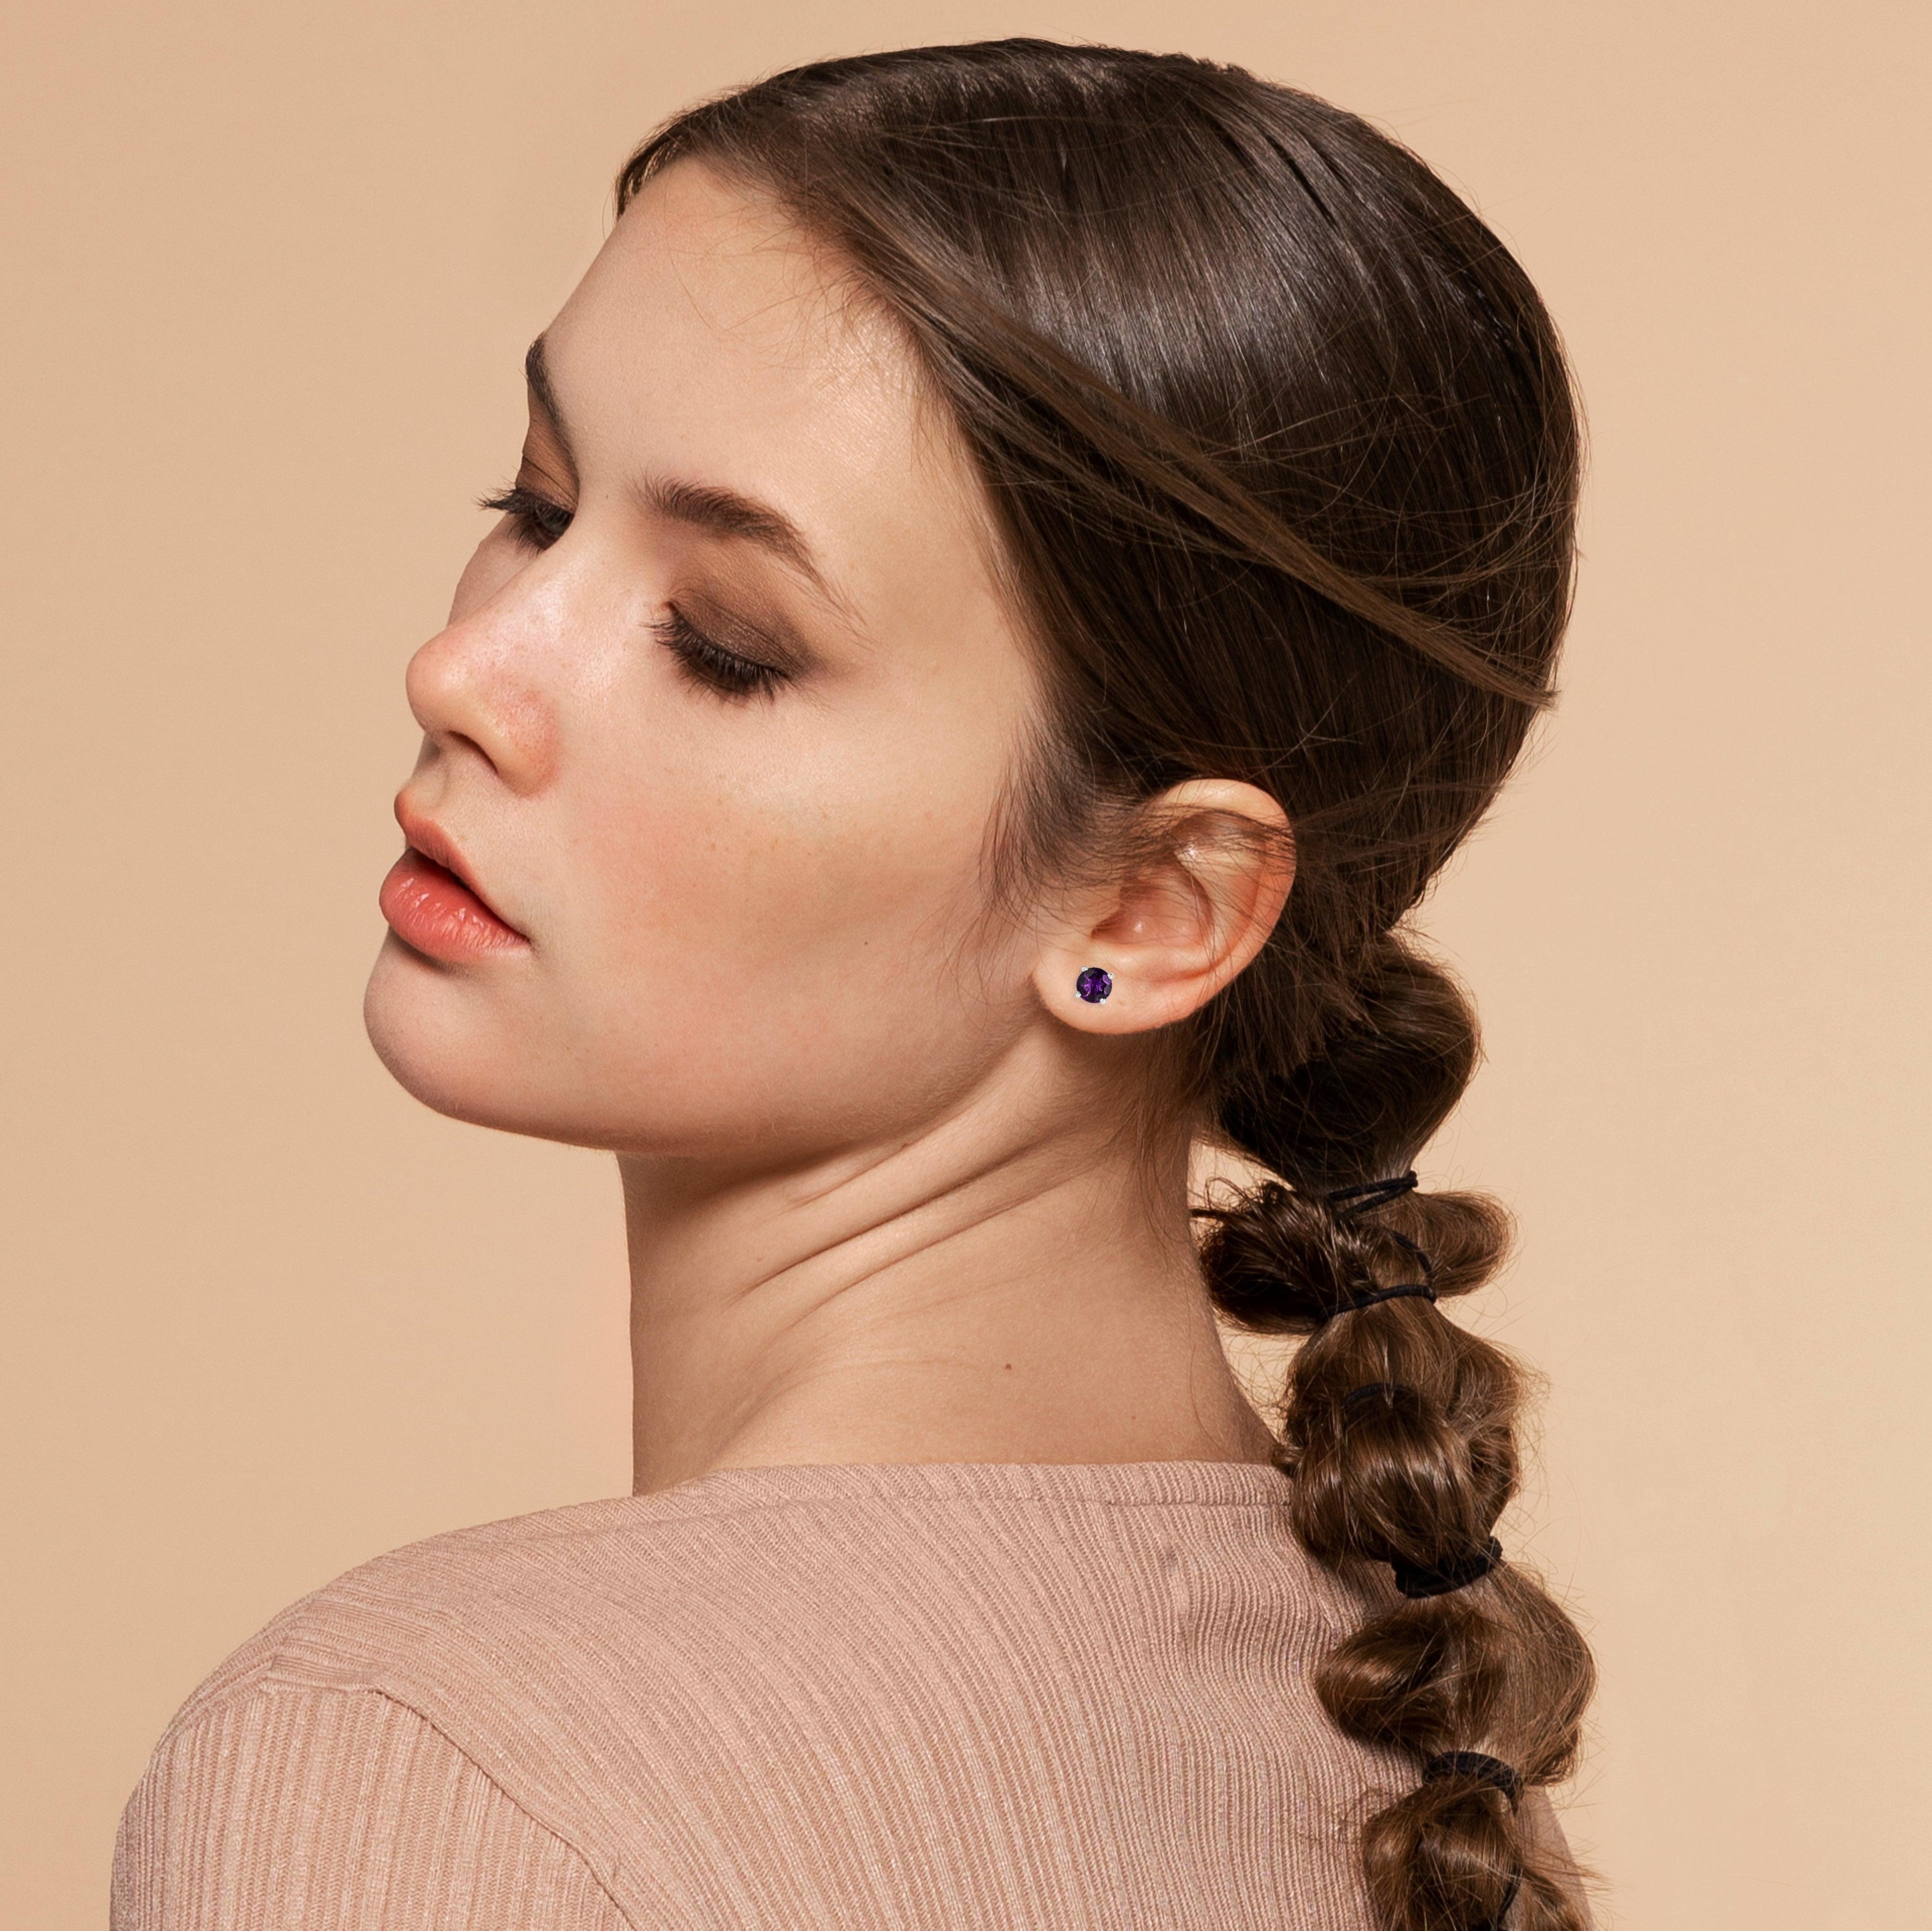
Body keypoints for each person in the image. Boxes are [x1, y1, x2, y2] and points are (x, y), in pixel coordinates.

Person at [111, 39, 1595, 1931]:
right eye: (540, 503)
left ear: (1155, 908)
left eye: (725, 644)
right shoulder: (1420, 1760)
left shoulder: (428, 1771)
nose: (463, 668)